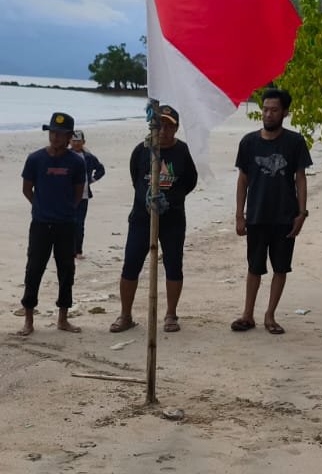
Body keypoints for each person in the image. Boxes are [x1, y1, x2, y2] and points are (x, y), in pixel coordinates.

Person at [111, 105, 199, 334]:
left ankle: (170, 314)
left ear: (176, 129)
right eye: (159, 124)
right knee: (131, 263)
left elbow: (190, 182)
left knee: (173, 265)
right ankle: (126, 315)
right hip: (142, 218)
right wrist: (147, 198)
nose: (163, 130)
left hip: (173, 219)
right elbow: (136, 179)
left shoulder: (183, 152)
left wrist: (170, 199)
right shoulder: (142, 150)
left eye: (169, 125)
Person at [232, 88, 311, 335]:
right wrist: (239, 214)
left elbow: (300, 178)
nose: (268, 114)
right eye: (265, 109)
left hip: (284, 216)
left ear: (285, 112)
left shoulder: (295, 142)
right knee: (254, 267)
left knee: (280, 268)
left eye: (274, 110)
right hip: (256, 215)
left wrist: (301, 213)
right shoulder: (248, 142)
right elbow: (243, 180)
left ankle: (270, 315)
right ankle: (247, 314)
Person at [19, 112, 89, 336]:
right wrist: (41, 206)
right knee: (34, 270)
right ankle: (29, 319)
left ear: (69, 137)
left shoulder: (76, 162)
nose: (55, 137)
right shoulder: (35, 159)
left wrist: (66, 209)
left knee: (66, 271)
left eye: (60, 133)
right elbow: (27, 189)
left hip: (66, 224)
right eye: (52, 132)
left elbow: (79, 192)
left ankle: (63, 318)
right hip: (41, 224)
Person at [70, 131, 106, 259]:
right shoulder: (64, 156)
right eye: (73, 141)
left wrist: (92, 179)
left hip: (84, 197)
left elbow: (101, 169)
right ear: (69, 141)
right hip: (67, 196)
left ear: (83, 142)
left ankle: (78, 251)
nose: (76, 143)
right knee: (66, 224)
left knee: (79, 224)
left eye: (78, 141)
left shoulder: (89, 157)